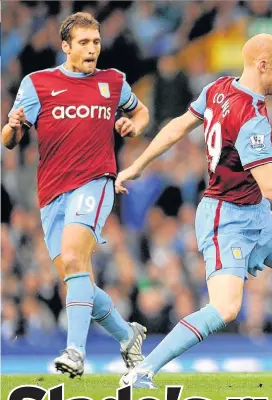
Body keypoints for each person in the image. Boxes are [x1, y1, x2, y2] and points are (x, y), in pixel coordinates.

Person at [116, 34, 272, 389]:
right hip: (227, 217)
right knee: (225, 308)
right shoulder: (251, 117)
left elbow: (177, 125)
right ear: (262, 65)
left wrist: (138, 164)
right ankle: (143, 369)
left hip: (256, 213)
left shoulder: (218, 88)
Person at [2, 12, 150, 378]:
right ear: (66, 46)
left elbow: (141, 111)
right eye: (83, 43)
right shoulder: (37, 84)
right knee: (74, 274)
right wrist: (13, 126)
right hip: (52, 191)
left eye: (96, 42)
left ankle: (75, 352)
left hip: (96, 181)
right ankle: (127, 335)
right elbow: (9, 141)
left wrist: (134, 125)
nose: (91, 49)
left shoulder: (113, 82)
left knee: (73, 257)